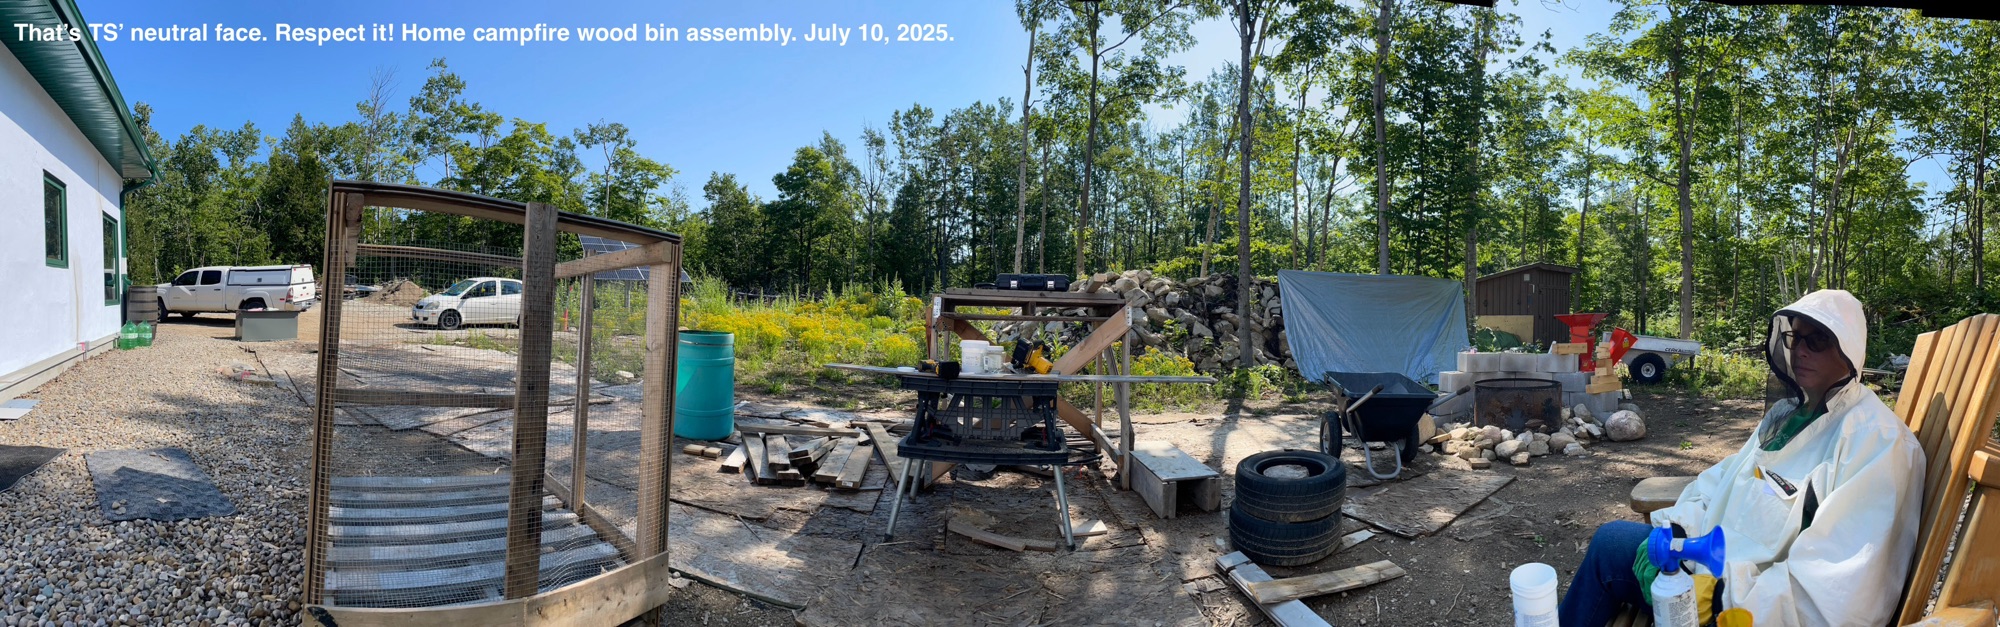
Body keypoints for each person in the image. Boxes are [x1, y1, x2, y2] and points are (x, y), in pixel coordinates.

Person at [1558, 289, 1925, 627]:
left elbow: (1840, 589)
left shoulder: (1875, 440)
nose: (1800, 351)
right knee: (1615, 541)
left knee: (1610, 545)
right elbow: (1723, 481)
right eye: (1795, 337)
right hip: (1712, 567)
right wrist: (1677, 533)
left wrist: (1720, 595)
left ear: (1850, 350)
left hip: (1751, 607)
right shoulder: (1790, 413)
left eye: (1819, 340)